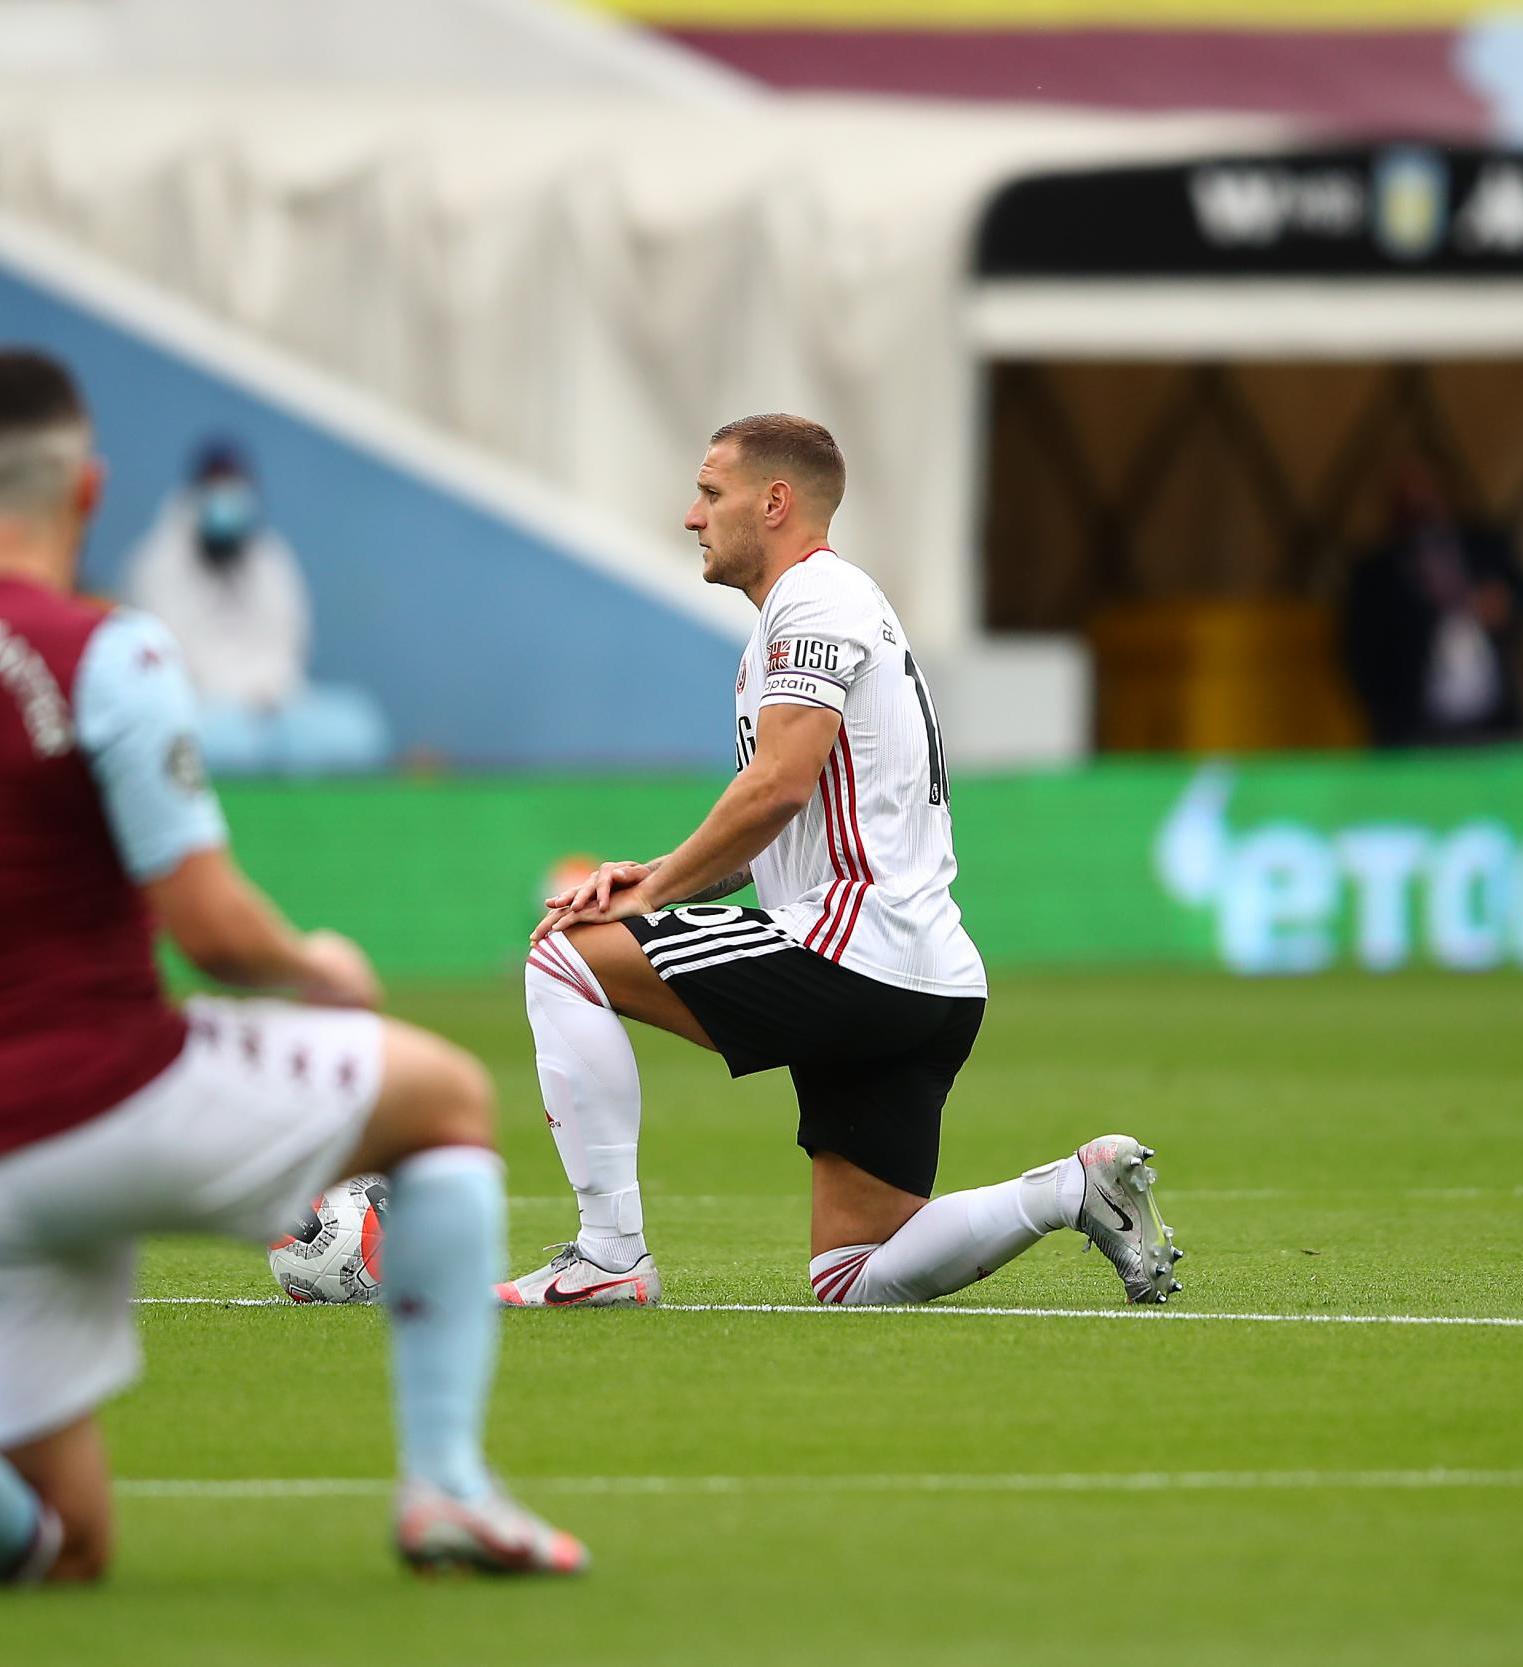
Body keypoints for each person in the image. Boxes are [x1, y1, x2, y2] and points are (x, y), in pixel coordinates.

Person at [0, 349, 584, 1596]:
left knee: (60, 1542)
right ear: (89, 493)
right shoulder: (106, 652)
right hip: (114, 1090)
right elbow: (210, 924)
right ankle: (446, 1479)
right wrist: (316, 966)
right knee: (447, 1096)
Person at [502, 414, 1183, 1310]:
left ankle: (608, 1255)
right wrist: (658, 872)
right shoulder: (802, 625)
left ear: (775, 502)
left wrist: (652, 895)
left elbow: (779, 784)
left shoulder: (815, 599)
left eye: (711, 493)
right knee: (853, 1277)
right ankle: (1070, 1189)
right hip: (929, 979)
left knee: (564, 953)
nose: (691, 517)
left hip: (854, 951)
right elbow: (789, 816)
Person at [1342, 456, 1523, 748]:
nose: (1419, 502)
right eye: (1407, 495)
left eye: (1426, 490)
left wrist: (1503, 604)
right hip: (1416, 729)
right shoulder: (1377, 569)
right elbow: (1359, 649)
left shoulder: (1483, 544)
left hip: (1494, 722)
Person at [124, 441, 310, 712]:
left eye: (234, 485)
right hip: (196, 706)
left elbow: (291, 641)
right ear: (195, 493)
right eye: (217, 484)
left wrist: (265, 689)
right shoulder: (158, 562)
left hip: (268, 707)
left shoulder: (272, 560)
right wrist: (227, 695)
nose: (226, 496)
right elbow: (167, 652)